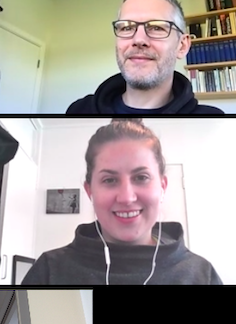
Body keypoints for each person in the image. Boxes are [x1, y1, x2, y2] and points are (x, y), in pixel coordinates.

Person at [22, 119, 222, 285]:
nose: (126, 198)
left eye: (141, 177)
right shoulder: (49, 271)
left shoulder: (202, 275)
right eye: (109, 180)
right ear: (90, 191)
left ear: (162, 186)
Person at [67, 0, 224, 115]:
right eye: (127, 27)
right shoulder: (78, 111)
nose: (139, 40)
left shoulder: (211, 123)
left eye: (156, 27)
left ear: (182, 46)